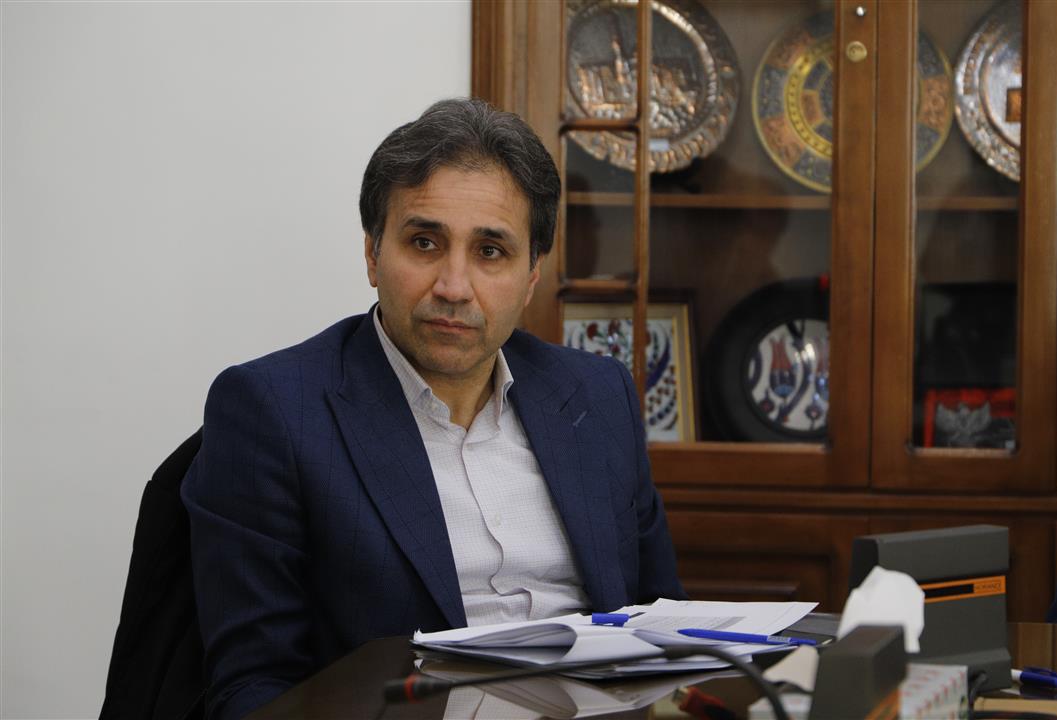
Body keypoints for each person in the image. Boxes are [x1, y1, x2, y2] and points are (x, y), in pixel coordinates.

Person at [181, 97, 685, 720]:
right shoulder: (274, 411)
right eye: (424, 242)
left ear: (532, 273)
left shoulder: (597, 396)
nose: (453, 287)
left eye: (491, 251)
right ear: (373, 254)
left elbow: (664, 629)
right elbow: (254, 690)